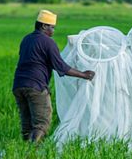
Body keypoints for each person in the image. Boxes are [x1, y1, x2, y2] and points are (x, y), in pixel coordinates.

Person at [12, 9, 95, 143]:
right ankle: (33, 152)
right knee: (42, 123)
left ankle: (24, 152)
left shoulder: (26, 39)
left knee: (27, 124)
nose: (53, 31)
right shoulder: (48, 42)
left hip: (18, 85)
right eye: (52, 27)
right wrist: (84, 75)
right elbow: (60, 66)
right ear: (44, 26)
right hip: (36, 86)